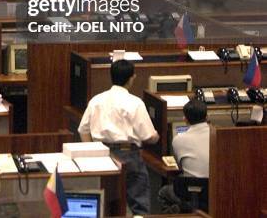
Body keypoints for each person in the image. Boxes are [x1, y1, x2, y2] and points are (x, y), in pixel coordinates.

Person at [78, 59, 159, 216]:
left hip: (102, 155)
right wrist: (156, 137)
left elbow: (83, 129)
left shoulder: (96, 100)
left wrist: (93, 150)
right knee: (139, 204)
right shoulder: (135, 103)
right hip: (129, 156)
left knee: (106, 201)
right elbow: (148, 135)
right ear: (131, 78)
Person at [158, 99, 210, 214]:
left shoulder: (178, 140)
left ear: (185, 119)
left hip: (188, 191)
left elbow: (180, 167)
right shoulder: (218, 135)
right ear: (207, 117)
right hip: (212, 191)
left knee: (163, 193)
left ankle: (178, 213)